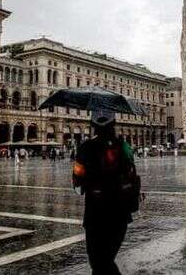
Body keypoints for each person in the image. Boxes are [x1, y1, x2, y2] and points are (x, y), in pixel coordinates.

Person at [73, 109, 138, 275]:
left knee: (98, 261)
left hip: (96, 213)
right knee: (106, 261)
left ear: (93, 126)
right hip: (121, 212)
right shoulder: (125, 147)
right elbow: (132, 175)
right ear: (114, 125)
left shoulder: (86, 148)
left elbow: (77, 180)